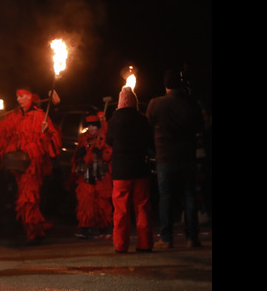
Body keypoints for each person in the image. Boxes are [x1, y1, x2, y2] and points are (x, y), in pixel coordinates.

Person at [0, 88, 62, 244]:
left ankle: (32, 232)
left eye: (21, 96)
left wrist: (46, 132)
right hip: (19, 164)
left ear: (28, 97)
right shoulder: (15, 116)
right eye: (17, 97)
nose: (18, 99)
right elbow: (2, 130)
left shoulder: (40, 116)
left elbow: (53, 138)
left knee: (29, 197)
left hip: (33, 163)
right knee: (24, 196)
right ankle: (34, 230)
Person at [145, 69, 206, 248]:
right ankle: (192, 238)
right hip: (187, 156)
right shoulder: (190, 103)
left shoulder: (155, 104)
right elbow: (200, 127)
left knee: (166, 198)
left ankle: (166, 238)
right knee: (189, 196)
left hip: (165, 156)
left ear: (165, 85)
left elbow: (148, 125)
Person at [106, 86, 155, 253]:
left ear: (119, 103)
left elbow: (108, 141)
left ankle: (120, 245)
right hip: (140, 169)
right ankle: (145, 243)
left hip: (121, 171)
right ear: (134, 102)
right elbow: (150, 142)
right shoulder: (142, 120)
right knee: (142, 207)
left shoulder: (113, 121)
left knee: (121, 209)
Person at [70, 113, 113, 239]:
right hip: (87, 175)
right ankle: (85, 227)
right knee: (85, 201)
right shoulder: (83, 139)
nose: (91, 128)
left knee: (102, 202)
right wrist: (79, 154)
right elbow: (76, 159)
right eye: (89, 126)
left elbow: (111, 153)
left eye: (94, 126)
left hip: (101, 176)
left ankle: (104, 227)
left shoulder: (105, 137)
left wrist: (102, 153)